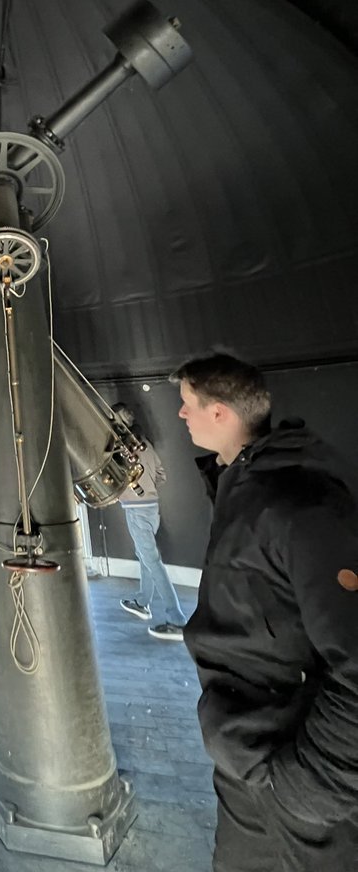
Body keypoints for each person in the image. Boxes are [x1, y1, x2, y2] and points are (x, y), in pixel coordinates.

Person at [173, 352, 358, 871]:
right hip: (250, 767)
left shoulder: (300, 503)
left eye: (187, 404)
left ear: (221, 414)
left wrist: (306, 789)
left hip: (298, 787)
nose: (181, 416)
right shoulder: (242, 483)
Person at [112, 402, 187, 641]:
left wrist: (130, 492)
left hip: (136, 510)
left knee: (152, 561)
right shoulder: (145, 443)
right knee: (145, 556)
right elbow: (161, 475)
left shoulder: (121, 447)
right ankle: (143, 602)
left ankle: (177, 620)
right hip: (151, 508)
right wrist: (148, 489)